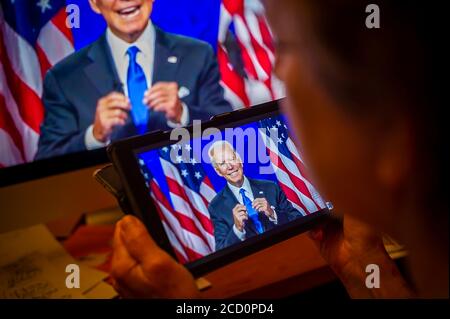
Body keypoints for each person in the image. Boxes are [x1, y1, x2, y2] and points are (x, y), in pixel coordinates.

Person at [109, 0, 448, 298]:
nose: (274, 70)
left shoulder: (273, 189)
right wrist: (365, 267)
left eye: (285, 46)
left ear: (392, 128)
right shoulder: (219, 206)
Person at [35, 0, 232, 160]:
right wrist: (94, 136)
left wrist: (183, 114)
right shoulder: (64, 77)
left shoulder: (197, 54)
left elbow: (231, 131)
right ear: (95, 4)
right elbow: (47, 159)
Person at [207, 141, 301, 250]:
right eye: (223, 163)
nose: (230, 166)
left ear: (240, 160)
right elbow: (221, 251)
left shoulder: (270, 187)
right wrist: (237, 229)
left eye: (232, 159)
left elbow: (298, 219)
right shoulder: (216, 207)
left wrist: (273, 213)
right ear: (218, 171)